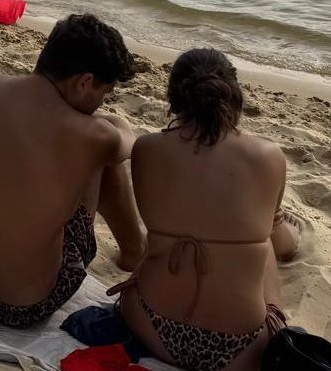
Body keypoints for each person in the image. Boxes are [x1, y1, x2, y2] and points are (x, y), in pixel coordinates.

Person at [0, 14, 145, 329]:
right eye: (103, 94)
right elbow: (128, 143)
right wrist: (109, 121)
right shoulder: (91, 136)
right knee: (101, 157)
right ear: (84, 82)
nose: (101, 103)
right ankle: (134, 252)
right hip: (18, 307)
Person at [112, 48, 301, 371]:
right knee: (268, 242)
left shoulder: (147, 148)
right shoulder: (268, 156)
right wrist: (287, 235)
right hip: (242, 349)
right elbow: (275, 237)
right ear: (233, 94)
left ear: (174, 97)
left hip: (150, 324)